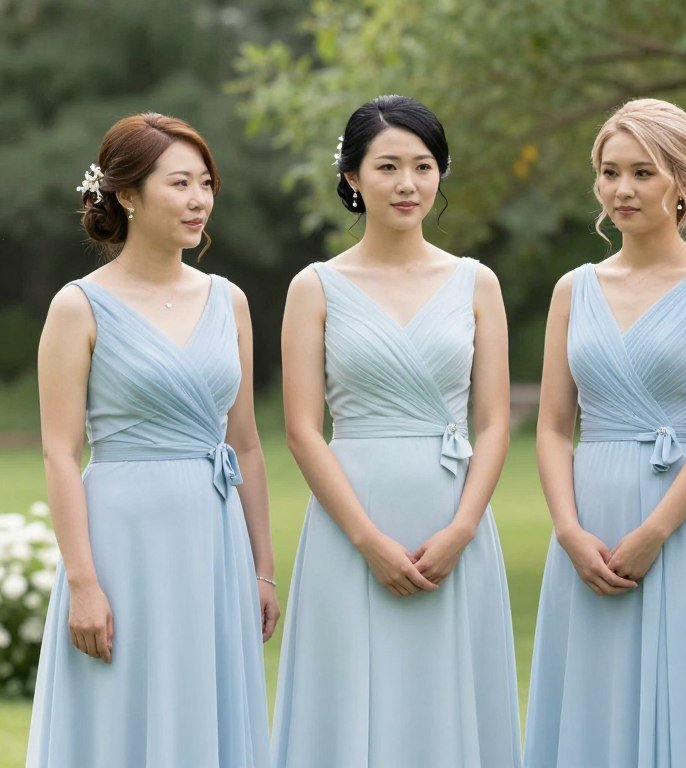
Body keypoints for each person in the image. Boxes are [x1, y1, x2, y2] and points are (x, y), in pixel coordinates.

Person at [270, 95, 521, 768]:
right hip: (352, 522)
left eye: (423, 166)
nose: (407, 184)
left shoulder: (476, 282)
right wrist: (367, 539)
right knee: (348, 700)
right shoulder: (314, 286)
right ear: (352, 177)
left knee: (448, 701)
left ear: (440, 174)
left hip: (452, 519)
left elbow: (494, 422)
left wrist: (464, 527)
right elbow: (301, 430)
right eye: (387, 166)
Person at [27, 113, 278, 767]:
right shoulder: (78, 306)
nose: (199, 200)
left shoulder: (230, 300)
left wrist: (262, 569)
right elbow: (59, 450)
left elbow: (245, 442)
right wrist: (84, 582)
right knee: (124, 716)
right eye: (180, 183)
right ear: (129, 196)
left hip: (215, 541)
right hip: (124, 544)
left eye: (206, 183)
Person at [524, 98, 686, 768]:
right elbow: (550, 427)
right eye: (609, 171)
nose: (621, 189)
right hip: (588, 521)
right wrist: (569, 530)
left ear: (684, 183)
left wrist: (656, 530)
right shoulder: (573, 289)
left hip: (683, 520)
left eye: (642, 172)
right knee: (591, 702)